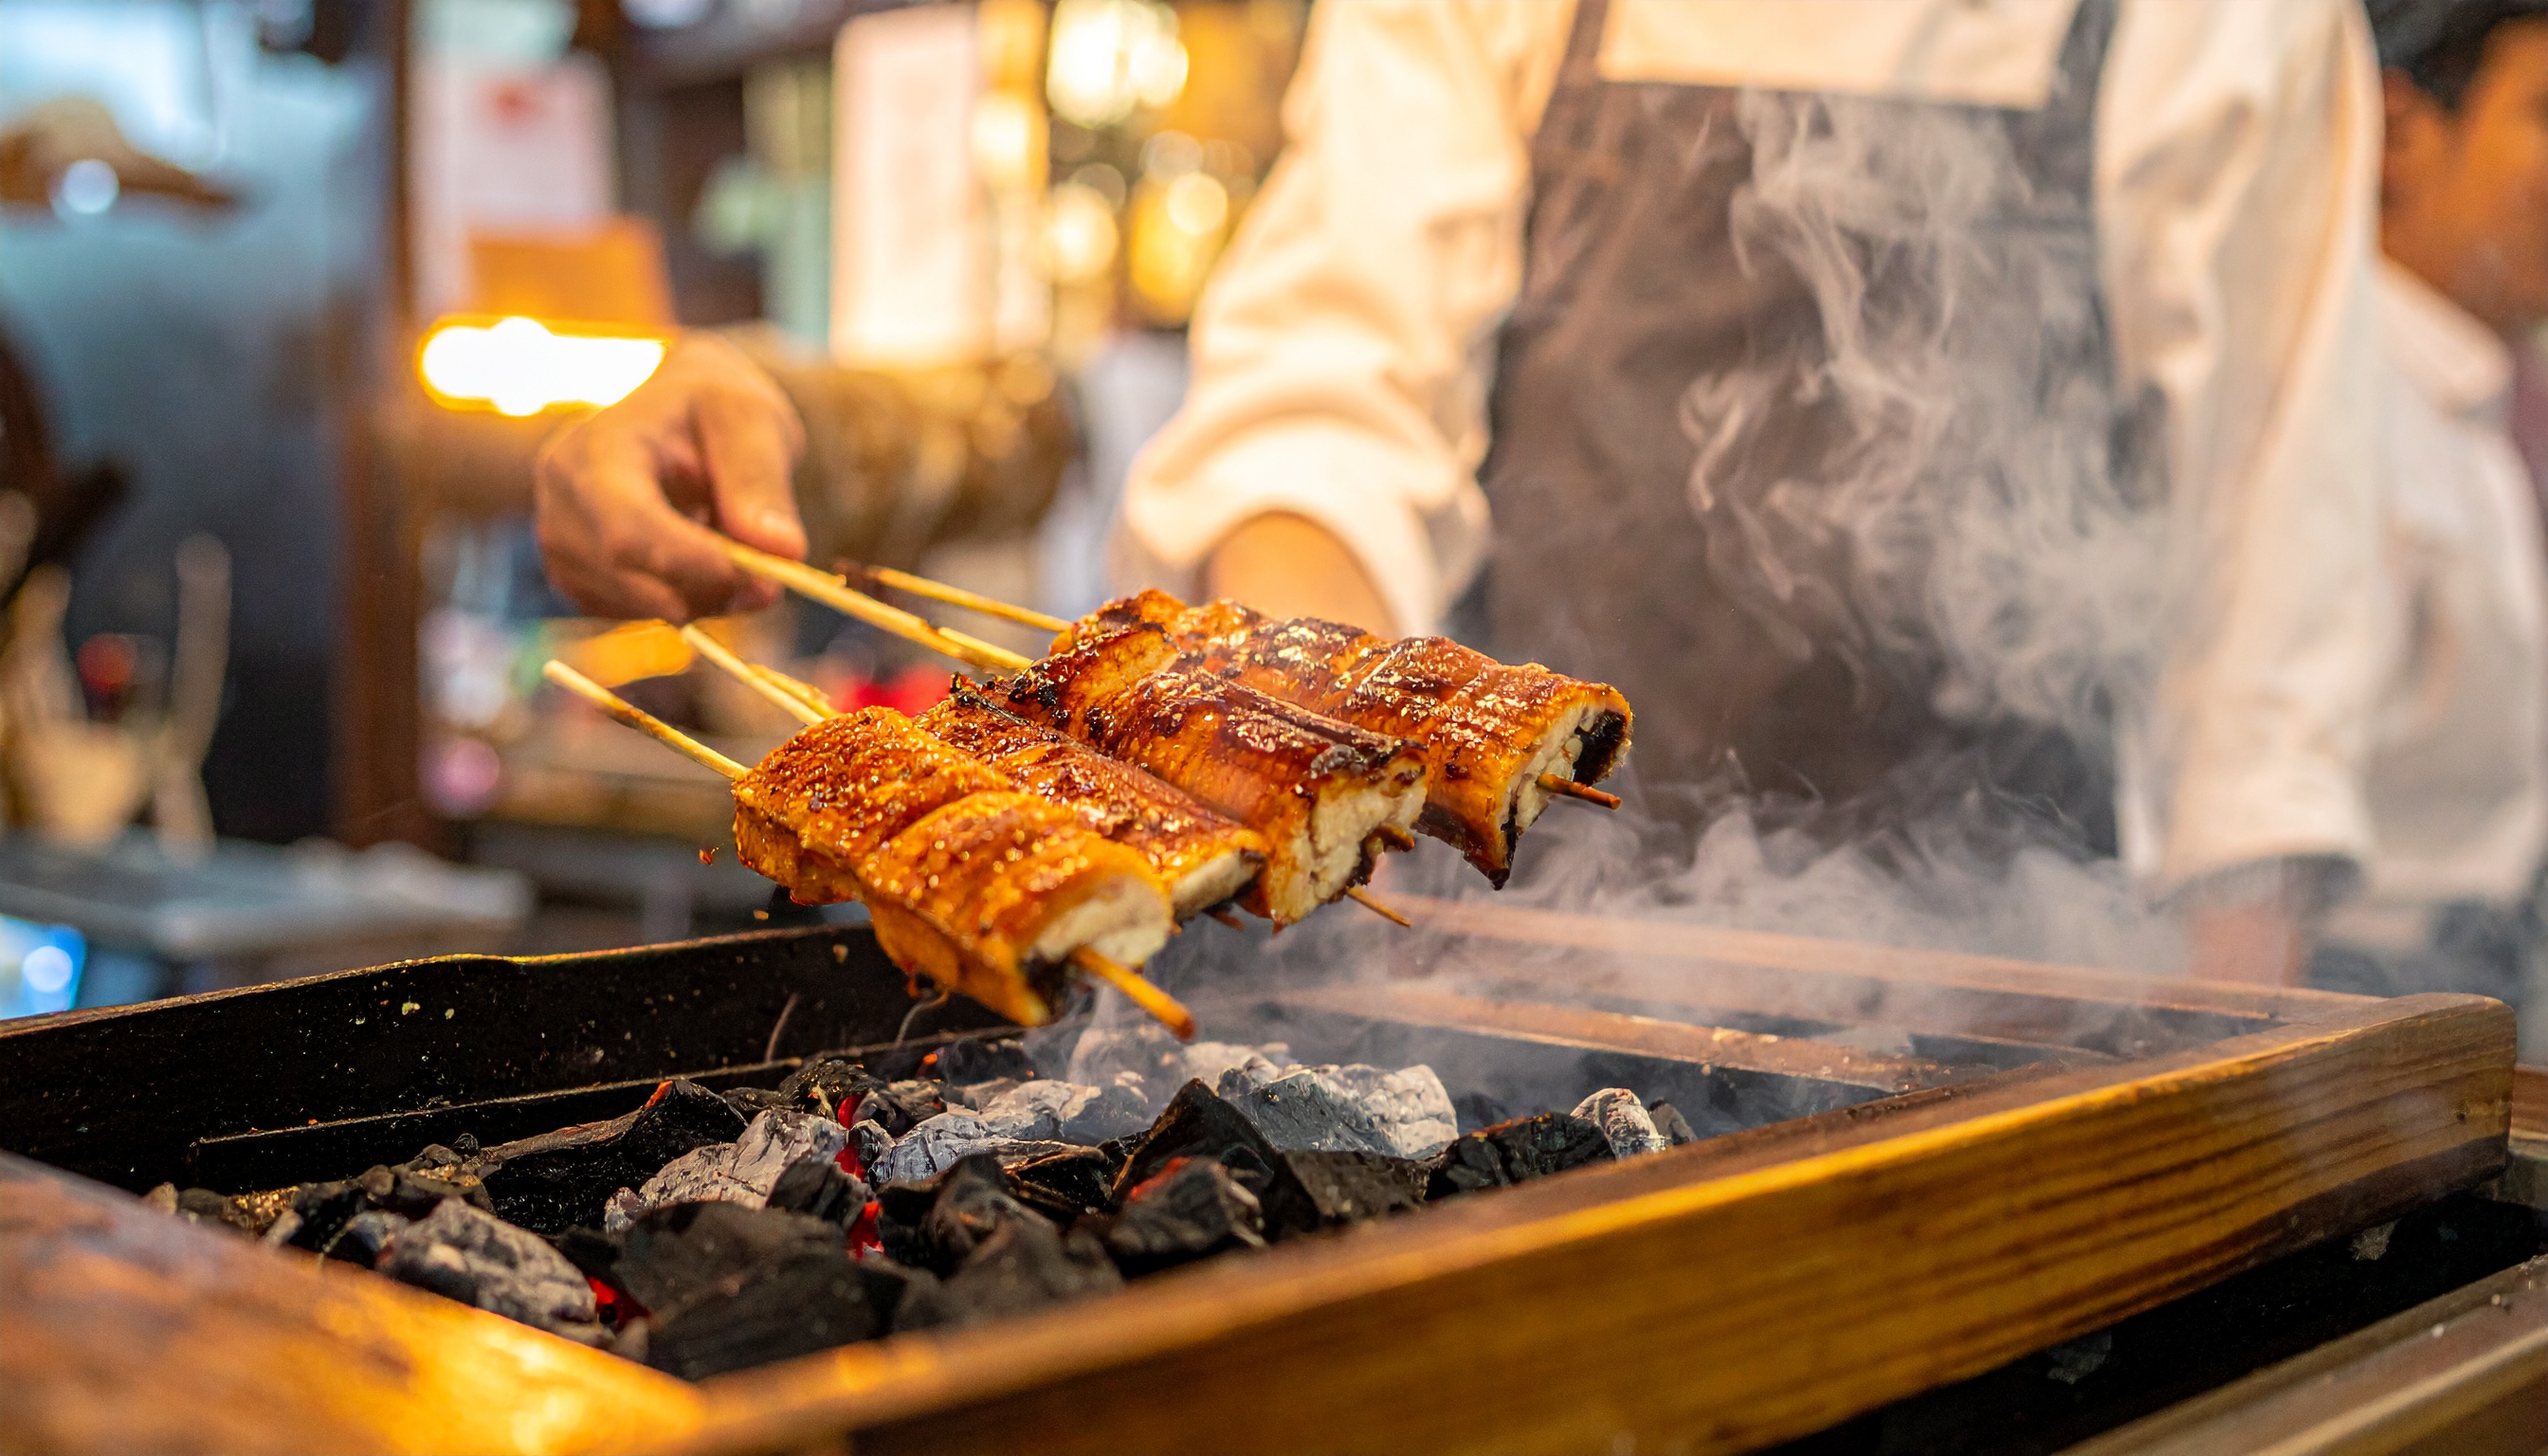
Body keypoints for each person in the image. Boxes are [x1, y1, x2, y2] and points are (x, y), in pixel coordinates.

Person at [537, 1, 2388, 984]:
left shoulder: (2218, 19)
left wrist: (2228, 1086)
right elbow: (1335, 387)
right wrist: (1287, 713)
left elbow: (2272, 591)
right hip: (1512, 944)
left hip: (1994, 976)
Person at [2317, 1, 2548, 1050]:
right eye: (2544, 113)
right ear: (2402, 132)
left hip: (2478, 977)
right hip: (2359, 1000)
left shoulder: (2470, 396)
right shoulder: (2334, 400)